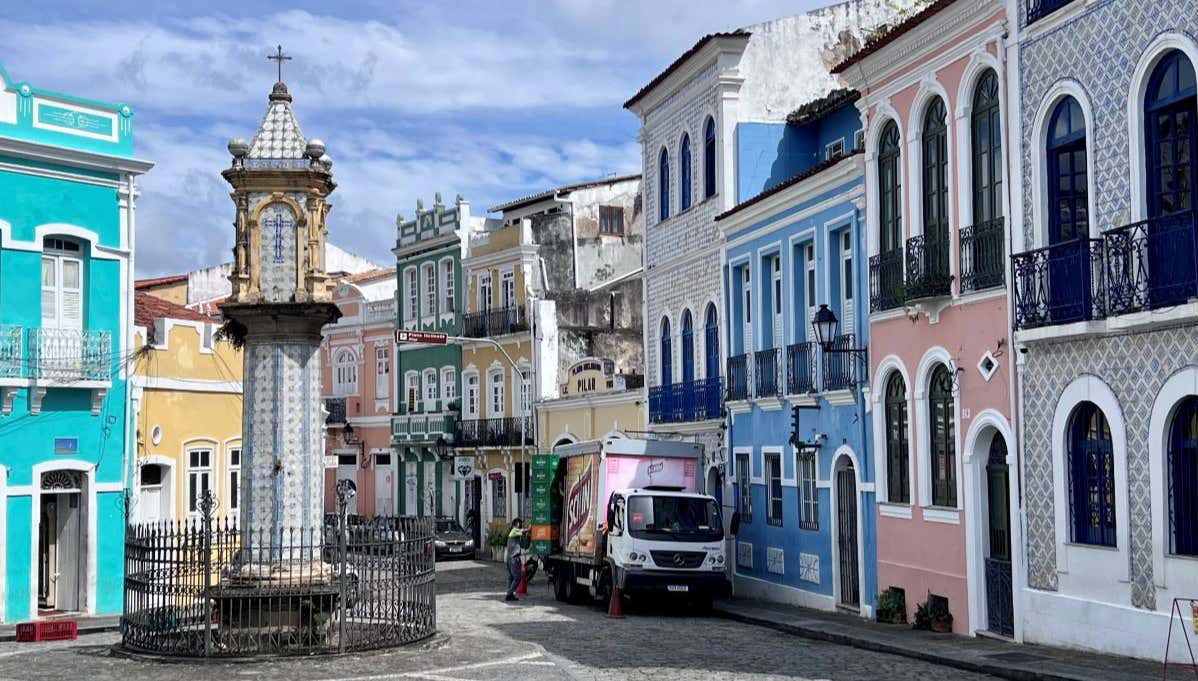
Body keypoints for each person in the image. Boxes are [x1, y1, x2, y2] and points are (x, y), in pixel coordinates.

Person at [504, 518, 528, 602]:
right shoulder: (514, 530)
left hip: (509, 558)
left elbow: (524, 544)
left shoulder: (513, 532)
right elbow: (523, 531)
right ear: (517, 524)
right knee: (517, 578)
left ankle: (510, 595)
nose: (521, 524)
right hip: (514, 558)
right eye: (520, 523)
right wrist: (529, 528)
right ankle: (509, 593)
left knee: (511, 577)